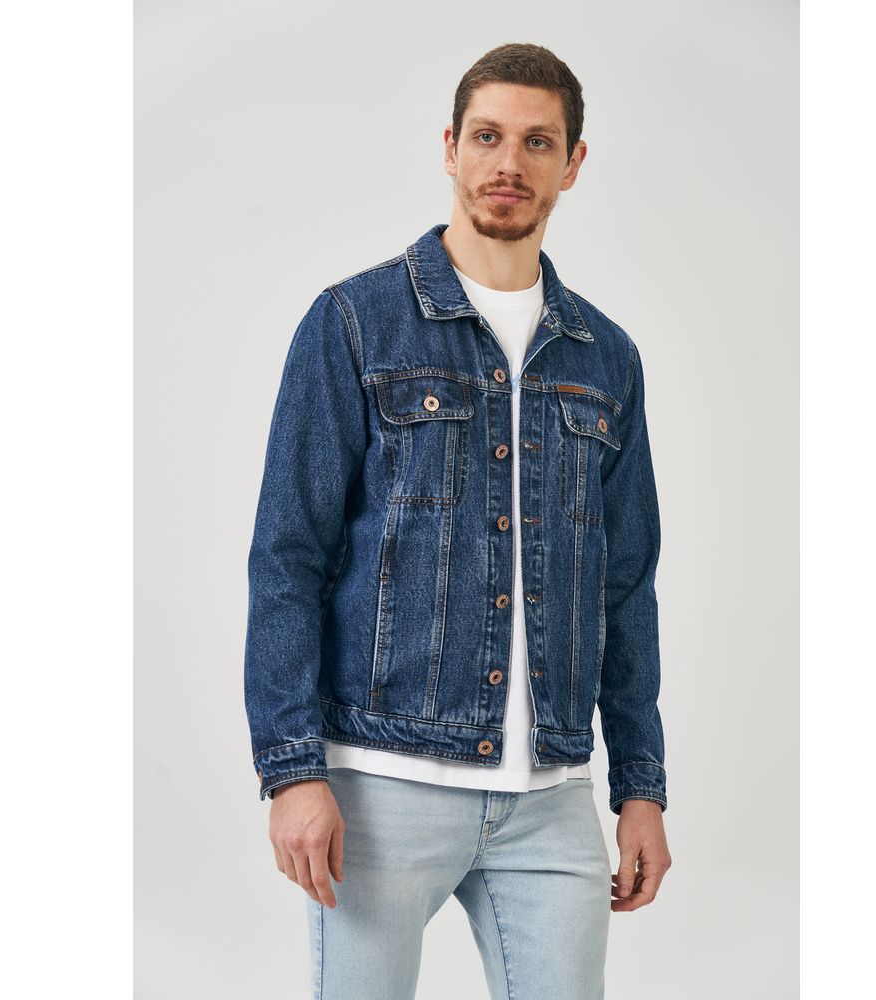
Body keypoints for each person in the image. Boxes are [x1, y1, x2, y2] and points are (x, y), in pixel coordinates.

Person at [244, 42, 672, 1000]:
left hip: (551, 800)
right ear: (449, 147)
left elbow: (625, 586)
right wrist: (292, 771)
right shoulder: (355, 323)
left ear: (573, 163)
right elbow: (287, 559)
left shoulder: (606, 358)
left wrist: (639, 786)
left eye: (537, 142)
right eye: (487, 137)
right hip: (381, 786)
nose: (508, 163)